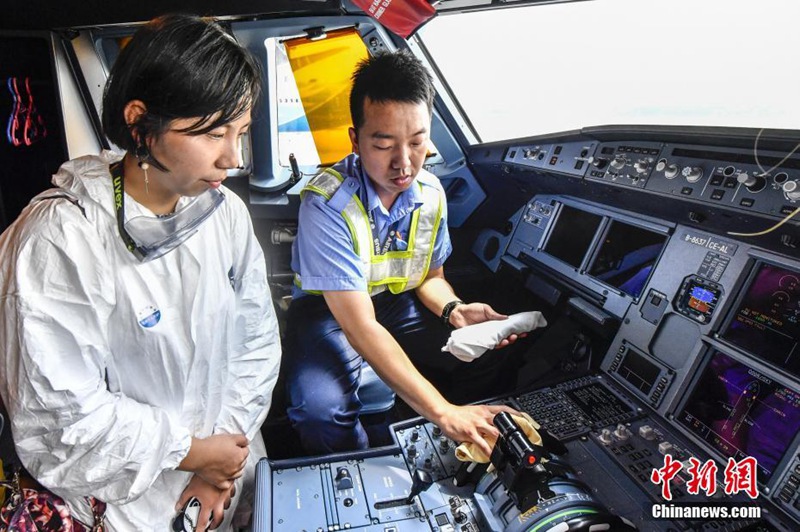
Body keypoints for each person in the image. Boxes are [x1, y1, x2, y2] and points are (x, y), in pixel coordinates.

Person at [0, 14, 281, 530]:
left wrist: (223, 462)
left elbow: (256, 342)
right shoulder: (59, 239)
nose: (232, 158)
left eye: (240, 132)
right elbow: (61, 417)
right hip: (128, 501)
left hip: (229, 468)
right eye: (214, 132)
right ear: (140, 124)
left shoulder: (225, 214)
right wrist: (192, 453)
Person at [286, 50, 520, 456]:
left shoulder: (431, 193)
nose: (404, 162)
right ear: (355, 140)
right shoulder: (326, 203)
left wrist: (454, 310)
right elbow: (360, 328)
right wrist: (443, 411)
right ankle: (358, 471)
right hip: (331, 315)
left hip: (398, 305)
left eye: (417, 142)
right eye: (384, 144)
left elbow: (432, 278)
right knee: (320, 412)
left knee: (484, 352)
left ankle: (468, 451)